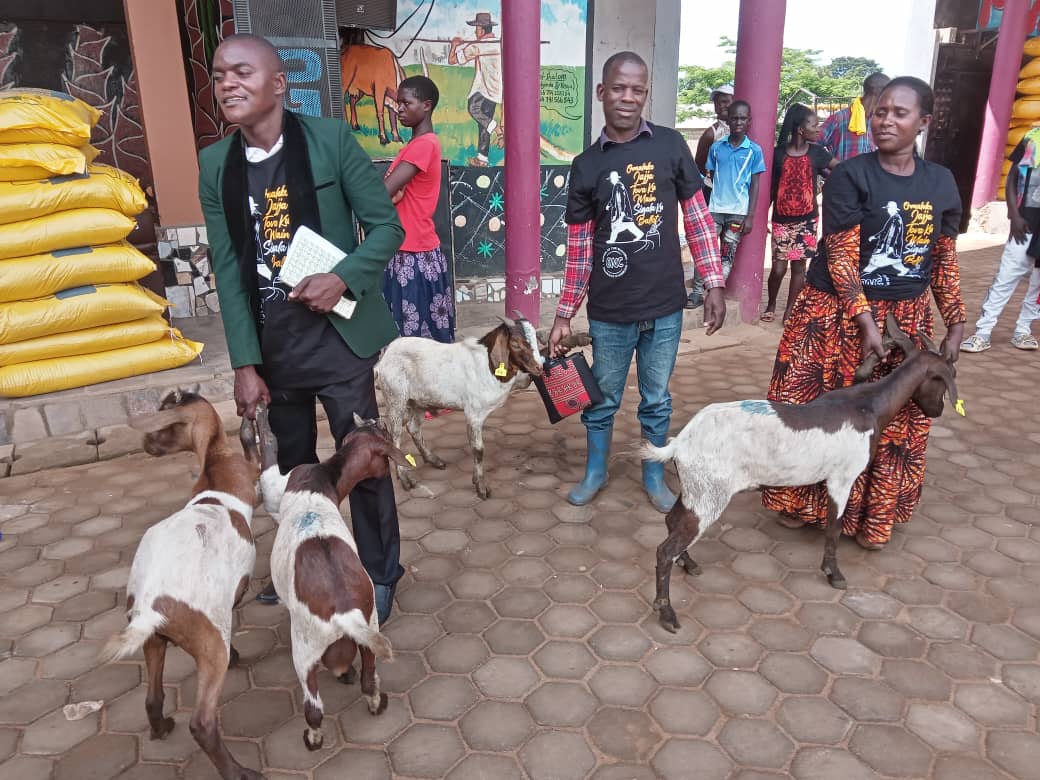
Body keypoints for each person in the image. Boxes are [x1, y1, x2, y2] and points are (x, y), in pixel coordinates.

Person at [197, 34, 406, 620]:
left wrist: (342, 277)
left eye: (242, 72)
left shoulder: (330, 140)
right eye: (219, 75)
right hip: (275, 348)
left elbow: (386, 228)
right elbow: (228, 270)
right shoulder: (215, 166)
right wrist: (244, 364)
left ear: (279, 83)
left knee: (362, 459)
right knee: (292, 472)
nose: (228, 83)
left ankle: (380, 572)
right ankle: (302, 563)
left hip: (339, 340)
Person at [762, 76, 965, 550]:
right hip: (833, 316)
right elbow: (841, 257)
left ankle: (872, 518)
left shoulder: (940, 183)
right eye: (881, 111)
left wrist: (956, 321)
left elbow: (943, 261)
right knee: (816, 412)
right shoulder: (850, 176)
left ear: (923, 122)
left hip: (905, 322)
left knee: (891, 424)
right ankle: (801, 504)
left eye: (900, 113)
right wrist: (866, 321)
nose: (885, 121)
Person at [547, 50, 727, 513]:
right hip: (610, 312)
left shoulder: (670, 145)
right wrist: (564, 316)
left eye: (638, 90)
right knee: (602, 398)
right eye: (619, 88)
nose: (628, 98)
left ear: (646, 94)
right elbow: (581, 250)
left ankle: (653, 474)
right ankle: (596, 471)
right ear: (601, 93)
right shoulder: (586, 165)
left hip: (665, 307)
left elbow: (698, 220)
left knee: (657, 399)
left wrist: (713, 283)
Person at [382, 75, 454, 344]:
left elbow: (382, 193)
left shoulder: (424, 145)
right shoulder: (415, 146)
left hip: (414, 254)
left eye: (406, 103)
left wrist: (388, 196)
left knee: (415, 342)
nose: (399, 108)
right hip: (408, 249)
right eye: (398, 102)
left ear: (426, 105)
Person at [960, 126, 1040, 353]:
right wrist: (1014, 215)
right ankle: (982, 332)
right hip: (1026, 224)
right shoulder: (1032, 138)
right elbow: (1013, 177)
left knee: (1038, 283)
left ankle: (1023, 330)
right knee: (1006, 277)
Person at [763, 104, 840, 323]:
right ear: (800, 129)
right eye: (814, 125)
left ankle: (789, 311)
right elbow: (771, 189)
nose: (818, 129)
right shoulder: (778, 154)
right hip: (781, 220)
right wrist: (762, 218)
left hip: (807, 220)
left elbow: (841, 168)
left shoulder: (818, 153)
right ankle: (771, 304)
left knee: (799, 267)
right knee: (778, 268)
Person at [688, 99, 766, 308]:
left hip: (738, 213)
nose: (738, 122)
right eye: (734, 118)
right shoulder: (716, 148)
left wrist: (750, 216)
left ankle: (713, 295)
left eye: (742, 118)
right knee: (705, 251)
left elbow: (755, 185)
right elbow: (710, 176)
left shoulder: (754, 151)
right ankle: (696, 293)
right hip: (714, 210)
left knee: (726, 255)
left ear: (749, 121)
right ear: (728, 120)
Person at [448, 12, 501, 167]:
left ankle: (497, 129)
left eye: (476, 28)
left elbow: (452, 60)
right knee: (484, 124)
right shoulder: (497, 44)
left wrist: (454, 46)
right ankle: (482, 159)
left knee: (473, 107)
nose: (475, 32)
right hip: (496, 91)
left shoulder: (479, 46)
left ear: (482, 30)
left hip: (484, 90)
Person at [820, 72, 889, 162]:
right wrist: (833, 165)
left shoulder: (885, 120)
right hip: (843, 171)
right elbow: (811, 145)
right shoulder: (840, 118)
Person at [694, 83, 734, 183]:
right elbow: (699, 163)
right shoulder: (711, 134)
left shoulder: (742, 129)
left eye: (725, 101)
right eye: (717, 103)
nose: (721, 106)